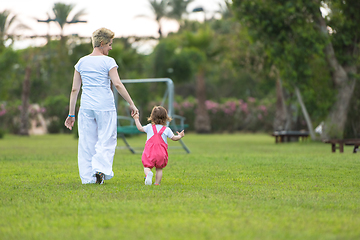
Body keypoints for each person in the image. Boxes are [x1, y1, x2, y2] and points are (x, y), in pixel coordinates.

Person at [64, 28, 138, 185]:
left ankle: (88, 179)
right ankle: (99, 170)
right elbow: (117, 84)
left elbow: (74, 90)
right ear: (102, 43)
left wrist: (71, 114)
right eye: (110, 44)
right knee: (107, 140)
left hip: (86, 108)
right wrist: (131, 103)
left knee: (86, 142)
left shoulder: (81, 62)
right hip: (105, 106)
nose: (110, 48)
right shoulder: (108, 62)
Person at [132, 106, 185, 185]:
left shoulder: (149, 127)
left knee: (147, 167)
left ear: (152, 117)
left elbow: (140, 128)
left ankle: (148, 174)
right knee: (159, 169)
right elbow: (174, 138)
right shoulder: (166, 129)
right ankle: (157, 183)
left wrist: (136, 118)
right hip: (161, 154)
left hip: (149, 153)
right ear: (165, 118)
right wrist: (180, 136)